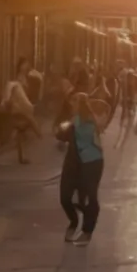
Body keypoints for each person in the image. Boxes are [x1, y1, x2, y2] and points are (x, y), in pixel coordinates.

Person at [57, 92, 113, 246]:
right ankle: (74, 221)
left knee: (89, 198)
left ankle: (87, 230)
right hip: (73, 162)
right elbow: (62, 132)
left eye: (75, 101)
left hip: (92, 161)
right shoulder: (73, 120)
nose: (72, 103)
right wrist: (62, 129)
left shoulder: (90, 119)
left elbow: (102, 119)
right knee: (65, 197)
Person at [2, 58, 39, 165]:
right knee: (24, 129)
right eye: (25, 64)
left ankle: (21, 155)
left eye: (27, 64)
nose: (26, 66)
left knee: (21, 132)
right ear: (20, 66)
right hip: (19, 107)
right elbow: (17, 91)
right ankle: (22, 154)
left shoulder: (27, 77)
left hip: (23, 105)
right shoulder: (19, 78)